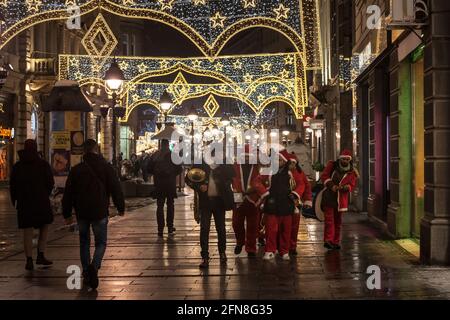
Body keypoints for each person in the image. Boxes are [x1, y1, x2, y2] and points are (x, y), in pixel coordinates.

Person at [62, 139, 125, 289]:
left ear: (84, 151)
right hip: (99, 211)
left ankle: (86, 271)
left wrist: (67, 214)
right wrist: (120, 206)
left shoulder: (77, 169)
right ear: (97, 149)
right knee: (101, 242)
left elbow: (68, 193)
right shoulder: (106, 168)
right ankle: (94, 266)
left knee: (84, 242)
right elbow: (116, 188)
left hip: (82, 212)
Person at [9, 139, 54, 270]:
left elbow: (13, 186)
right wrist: (45, 194)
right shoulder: (43, 164)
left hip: (24, 203)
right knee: (44, 227)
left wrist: (15, 200)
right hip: (41, 202)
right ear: (35, 148)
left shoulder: (18, 166)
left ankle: (29, 259)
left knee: (27, 231)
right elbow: (50, 183)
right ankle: (40, 254)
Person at [186, 160, 235, 268]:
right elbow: (188, 178)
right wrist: (198, 187)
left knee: (221, 229)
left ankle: (222, 253)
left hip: (219, 202)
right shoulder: (200, 164)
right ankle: (205, 257)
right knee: (204, 229)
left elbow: (232, 174)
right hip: (205, 202)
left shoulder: (223, 164)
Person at [262, 149, 305, 261]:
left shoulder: (291, 173)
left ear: (284, 161)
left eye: (280, 159)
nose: (278, 161)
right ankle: (270, 250)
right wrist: (264, 192)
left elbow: (301, 184)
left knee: (286, 230)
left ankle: (284, 251)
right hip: (272, 204)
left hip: (287, 205)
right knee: (271, 229)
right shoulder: (268, 171)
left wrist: (295, 195)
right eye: (276, 159)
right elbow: (257, 182)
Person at [232, 145, 267, 257]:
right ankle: (240, 242)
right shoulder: (235, 166)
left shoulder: (257, 166)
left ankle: (251, 248)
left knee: (253, 225)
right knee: (236, 223)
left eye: (248, 157)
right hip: (238, 198)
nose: (246, 159)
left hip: (253, 198)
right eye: (244, 156)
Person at [319, 149, 358, 250]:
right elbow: (324, 176)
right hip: (329, 197)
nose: (345, 161)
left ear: (349, 160)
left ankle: (335, 241)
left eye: (347, 159)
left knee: (338, 221)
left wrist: (346, 187)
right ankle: (328, 240)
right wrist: (332, 185)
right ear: (340, 159)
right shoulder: (332, 165)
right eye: (343, 159)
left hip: (341, 200)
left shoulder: (352, 171)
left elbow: (352, 184)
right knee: (329, 220)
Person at [147, 139, 182, 237]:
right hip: (170, 184)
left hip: (159, 184)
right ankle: (170, 227)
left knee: (160, 206)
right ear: (168, 145)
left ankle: (160, 229)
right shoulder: (173, 155)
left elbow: (149, 169)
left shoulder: (155, 155)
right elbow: (179, 169)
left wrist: (157, 174)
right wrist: (172, 174)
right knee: (170, 205)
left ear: (161, 145)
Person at [287, 153, 312, 256]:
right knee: (284, 226)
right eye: (290, 163)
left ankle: (292, 246)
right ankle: (283, 246)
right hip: (283, 202)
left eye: (293, 163)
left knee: (294, 226)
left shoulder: (300, 173)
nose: (292, 165)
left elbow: (306, 186)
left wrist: (307, 200)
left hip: (296, 203)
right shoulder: (282, 172)